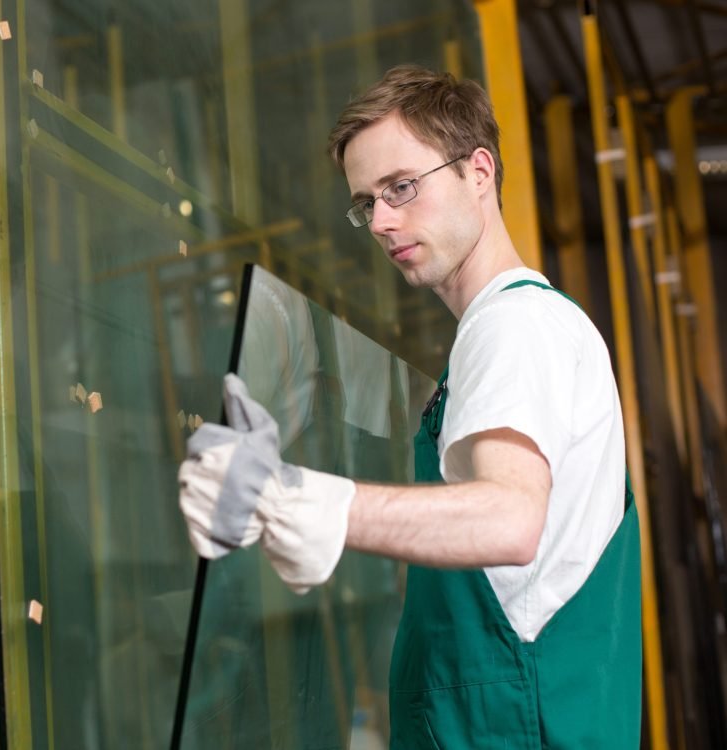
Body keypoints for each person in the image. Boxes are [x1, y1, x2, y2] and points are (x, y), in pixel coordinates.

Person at [178, 65, 642, 748]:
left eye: (401, 188)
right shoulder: (511, 330)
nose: (382, 222)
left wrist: (293, 498)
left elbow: (511, 518)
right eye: (367, 202)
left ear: (479, 172)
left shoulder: (513, 327)